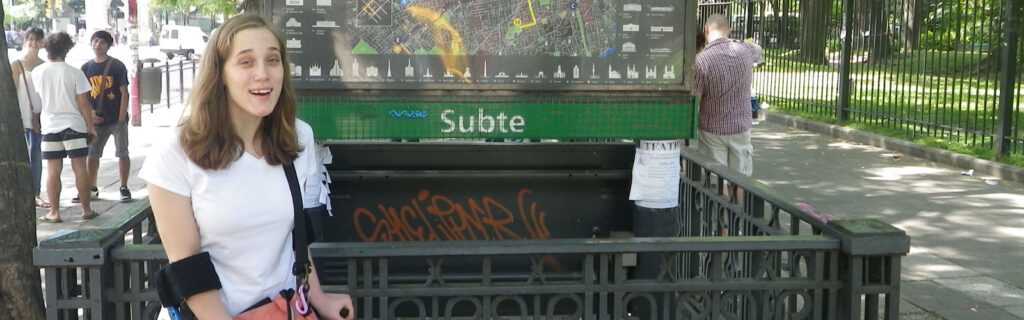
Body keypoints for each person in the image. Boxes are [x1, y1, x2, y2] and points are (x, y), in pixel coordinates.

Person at [139, 15, 354, 319]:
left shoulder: (297, 138)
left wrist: (318, 297)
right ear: (220, 73)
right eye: (246, 62)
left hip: (282, 310)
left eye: (273, 60)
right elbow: (187, 268)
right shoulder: (175, 152)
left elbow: (295, 237)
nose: (262, 74)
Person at [34, 32, 99, 223]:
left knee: (53, 170)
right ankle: (86, 209)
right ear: (67, 50)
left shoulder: (38, 72)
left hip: (49, 126)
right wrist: (90, 127)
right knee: (80, 168)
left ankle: (54, 212)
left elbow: (37, 101)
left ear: (46, 48)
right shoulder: (75, 73)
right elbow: (84, 104)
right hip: (74, 125)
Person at [693, 14, 763, 177]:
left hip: (712, 129)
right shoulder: (746, 50)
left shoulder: (701, 60)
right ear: (729, 31)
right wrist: (741, 42)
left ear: (706, 29)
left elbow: (696, 99)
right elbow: (759, 51)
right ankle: (739, 195)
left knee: (716, 178)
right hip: (741, 126)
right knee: (741, 178)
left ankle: (721, 194)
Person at [79, 30, 132, 203]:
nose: (98, 45)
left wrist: (121, 117)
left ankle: (123, 186)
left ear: (108, 45)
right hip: (97, 120)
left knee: (122, 152)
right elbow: (83, 96)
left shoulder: (117, 66)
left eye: (102, 42)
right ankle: (92, 187)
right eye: (95, 41)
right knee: (93, 155)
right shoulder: (86, 68)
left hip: (116, 118)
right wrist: (90, 115)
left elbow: (124, 92)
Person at [11, 27, 48, 208]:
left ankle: (36, 193)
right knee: (23, 157)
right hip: (23, 117)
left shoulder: (45, 65)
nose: (34, 43)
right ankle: (23, 193)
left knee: (37, 156)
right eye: (30, 39)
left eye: (37, 40)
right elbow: (12, 93)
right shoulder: (17, 64)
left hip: (40, 118)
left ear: (42, 43)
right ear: (25, 41)